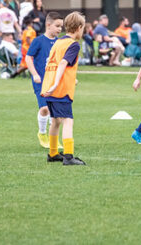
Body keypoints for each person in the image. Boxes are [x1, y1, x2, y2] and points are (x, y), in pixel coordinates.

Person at [40, 11, 86, 165]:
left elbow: (51, 63)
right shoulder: (73, 45)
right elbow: (63, 63)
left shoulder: (58, 42)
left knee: (55, 121)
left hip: (49, 88)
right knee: (67, 121)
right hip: (59, 90)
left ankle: (53, 153)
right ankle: (68, 156)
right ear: (79, 28)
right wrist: (56, 84)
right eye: (83, 28)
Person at [25, 12, 63, 148]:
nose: (60, 29)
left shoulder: (59, 43)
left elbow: (63, 62)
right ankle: (42, 133)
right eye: (57, 26)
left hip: (55, 82)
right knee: (45, 109)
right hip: (41, 81)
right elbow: (28, 58)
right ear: (48, 25)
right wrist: (35, 74)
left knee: (55, 112)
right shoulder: (38, 41)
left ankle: (53, 139)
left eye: (61, 26)